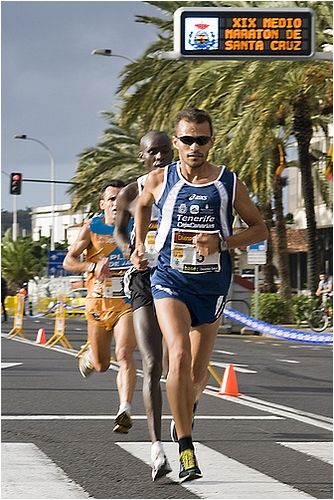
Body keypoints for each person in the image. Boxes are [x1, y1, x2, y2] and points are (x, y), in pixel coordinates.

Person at [132, 107, 268, 482]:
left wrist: (221, 241)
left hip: (211, 285)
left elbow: (260, 229)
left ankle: (185, 412)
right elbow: (141, 206)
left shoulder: (228, 183)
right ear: (175, 143)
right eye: (187, 140)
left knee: (195, 376)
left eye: (202, 140)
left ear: (211, 142)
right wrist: (140, 246)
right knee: (177, 352)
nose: (195, 147)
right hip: (169, 280)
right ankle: (186, 447)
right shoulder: (159, 179)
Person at [114, 131, 174, 481]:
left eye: (165, 151)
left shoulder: (184, 187)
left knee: (181, 363)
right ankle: (156, 449)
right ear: (142, 157)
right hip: (144, 279)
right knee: (151, 361)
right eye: (153, 152)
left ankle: (183, 419)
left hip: (181, 278)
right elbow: (120, 231)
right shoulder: (131, 192)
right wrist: (131, 251)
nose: (160, 157)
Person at [63, 180, 137, 434]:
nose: (117, 203)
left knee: (125, 354)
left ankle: (124, 409)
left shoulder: (135, 226)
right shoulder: (92, 228)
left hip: (126, 302)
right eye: (112, 199)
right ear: (103, 204)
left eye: (121, 198)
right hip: (97, 303)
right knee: (103, 364)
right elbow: (69, 261)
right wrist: (92, 266)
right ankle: (92, 357)